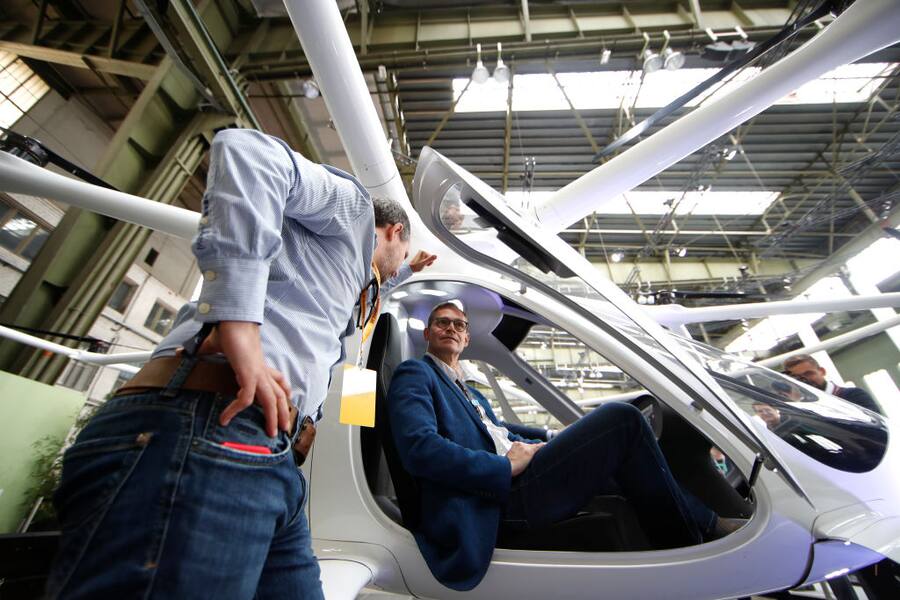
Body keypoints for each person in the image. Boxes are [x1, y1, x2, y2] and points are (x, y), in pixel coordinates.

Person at [47, 128, 435, 599]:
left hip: (272, 458)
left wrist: (407, 271)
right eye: (398, 257)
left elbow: (366, 291)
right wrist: (239, 320)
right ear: (394, 231)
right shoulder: (353, 210)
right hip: (216, 423)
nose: (392, 271)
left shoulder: (346, 273)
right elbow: (249, 152)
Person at [386, 301, 743, 591]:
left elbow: (501, 433)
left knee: (620, 464)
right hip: (496, 496)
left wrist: (555, 439)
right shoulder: (416, 373)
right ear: (428, 333)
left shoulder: (469, 391)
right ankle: (694, 554)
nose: (451, 328)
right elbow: (420, 449)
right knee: (622, 419)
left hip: (512, 480)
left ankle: (704, 526)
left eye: (459, 325)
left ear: (466, 339)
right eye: (442, 322)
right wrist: (504, 467)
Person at [783, 354, 881, 414]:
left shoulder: (854, 395)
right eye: (798, 378)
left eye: (809, 374)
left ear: (822, 371)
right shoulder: (801, 405)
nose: (805, 380)